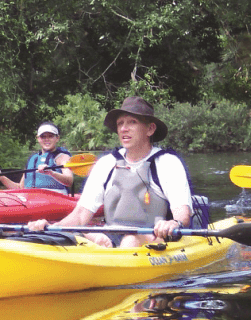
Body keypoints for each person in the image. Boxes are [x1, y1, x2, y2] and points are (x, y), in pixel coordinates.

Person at [27, 96, 192, 247]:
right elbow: (80, 215)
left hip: (153, 238)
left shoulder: (168, 163)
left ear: (150, 129)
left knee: (130, 240)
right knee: (79, 232)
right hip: (111, 235)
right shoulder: (106, 163)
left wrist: (173, 223)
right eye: (120, 123)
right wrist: (51, 227)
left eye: (132, 122)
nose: (123, 129)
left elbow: (182, 214)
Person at [0, 122, 74, 192]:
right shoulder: (33, 159)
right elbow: (20, 188)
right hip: (31, 199)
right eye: (43, 136)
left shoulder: (62, 157)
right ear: (38, 138)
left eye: (51, 136)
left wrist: (51, 172)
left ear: (57, 138)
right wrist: (1, 177)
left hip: (56, 198)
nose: (47, 139)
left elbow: (69, 181)